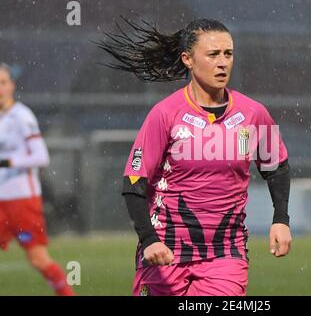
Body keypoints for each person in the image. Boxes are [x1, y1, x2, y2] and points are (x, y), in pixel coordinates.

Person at [99, 18, 292, 296]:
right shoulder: (165, 113)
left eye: (228, 54)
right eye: (213, 54)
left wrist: (281, 220)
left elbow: (277, 168)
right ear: (187, 59)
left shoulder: (253, 113)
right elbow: (134, 182)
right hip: (165, 249)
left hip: (225, 253)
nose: (223, 62)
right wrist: (149, 240)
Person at [0, 63, 74, 296]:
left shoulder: (22, 116)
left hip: (22, 201)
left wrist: (7, 162)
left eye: (2, 82)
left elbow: (41, 156)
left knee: (38, 259)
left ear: (12, 85)